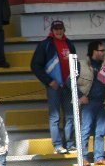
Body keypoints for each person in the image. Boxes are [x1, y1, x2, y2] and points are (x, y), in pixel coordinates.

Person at [30, 20, 76, 154]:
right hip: (53, 86)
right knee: (55, 117)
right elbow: (35, 66)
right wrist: (49, 81)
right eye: (56, 29)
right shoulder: (45, 45)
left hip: (68, 85)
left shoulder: (70, 44)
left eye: (60, 28)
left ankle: (70, 144)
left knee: (70, 116)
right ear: (51, 30)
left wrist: (73, 79)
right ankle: (57, 145)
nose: (58, 31)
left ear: (64, 29)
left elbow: (75, 63)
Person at [75, 41, 105, 166]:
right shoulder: (81, 63)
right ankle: (83, 157)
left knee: (100, 131)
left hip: (102, 102)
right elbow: (70, 81)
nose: (103, 53)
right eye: (101, 50)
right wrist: (81, 96)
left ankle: (99, 157)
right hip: (89, 102)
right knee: (85, 130)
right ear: (93, 51)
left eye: (103, 51)